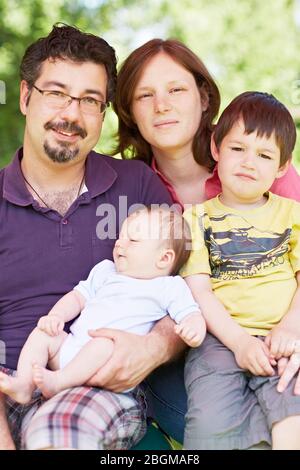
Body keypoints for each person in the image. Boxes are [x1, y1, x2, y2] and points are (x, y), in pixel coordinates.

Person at [0, 25, 183, 450]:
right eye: (57, 93)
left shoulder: (137, 186)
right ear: (26, 97)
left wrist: (155, 347)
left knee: (58, 432)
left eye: (89, 100)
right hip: (11, 385)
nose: (71, 114)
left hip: (98, 388)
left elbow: (186, 288)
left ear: (104, 113)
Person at [113, 38, 300, 443]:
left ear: (203, 97)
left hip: (281, 331)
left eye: (176, 90)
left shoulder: (257, 158)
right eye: (145, 95)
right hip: (195, 352)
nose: (162, 104)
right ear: (129, 111)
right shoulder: (131, 189)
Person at [181, 91, 300, 449]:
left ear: (282, 167)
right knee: (208, 423)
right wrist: (240, 342)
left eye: (264, 155)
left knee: (290, 405)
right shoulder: (195, 218)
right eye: (238, 149)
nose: (249, 162)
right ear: (216, 149)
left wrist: (291, 326)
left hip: (283, 334)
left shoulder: (292, 214)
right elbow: (199, 291)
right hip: (219, 340)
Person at [0, 207, 205, 403]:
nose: (119, 244)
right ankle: (24, 385)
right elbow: (77, 297)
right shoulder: (106, 271)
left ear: (164, 258)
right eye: (120, 237)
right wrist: (56, 317)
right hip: (71, 348)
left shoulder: (168, 287)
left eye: (132, 240)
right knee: (43, 334)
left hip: (109, 365)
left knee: (105, 341)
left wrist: (194, 329)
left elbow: (190, 313)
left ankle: (59, 382)